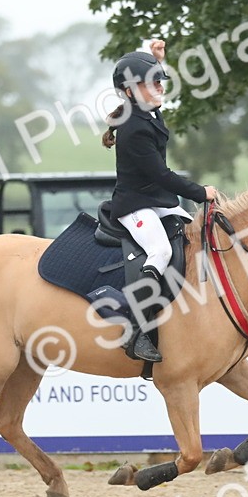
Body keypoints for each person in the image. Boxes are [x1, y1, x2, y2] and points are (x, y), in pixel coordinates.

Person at [101, 39, 218, 363]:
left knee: (197, 235)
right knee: (161, 251)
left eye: (158, 80)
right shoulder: (133, 127)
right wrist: (200, 192)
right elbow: (162, 175)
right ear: (128, 92)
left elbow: (141, 76)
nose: (158, 87)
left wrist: (152, 57)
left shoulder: (145, 113)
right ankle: (138, 332)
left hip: (157, 201)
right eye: (149, 83)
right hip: (135, 206)